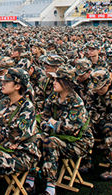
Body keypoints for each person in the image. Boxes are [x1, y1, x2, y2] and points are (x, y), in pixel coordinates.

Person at [34, 65, 93, 195]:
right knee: (35, 139)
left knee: (50, 142)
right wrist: (54, 125)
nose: (53, 83)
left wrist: (53, 124)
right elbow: (43, 119)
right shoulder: (53, 98)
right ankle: (30, 179)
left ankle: (50, 188)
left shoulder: (76, 102)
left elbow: (71, 129)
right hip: (60, 138)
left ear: (66, 83)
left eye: (57, 80)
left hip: (79, 143)